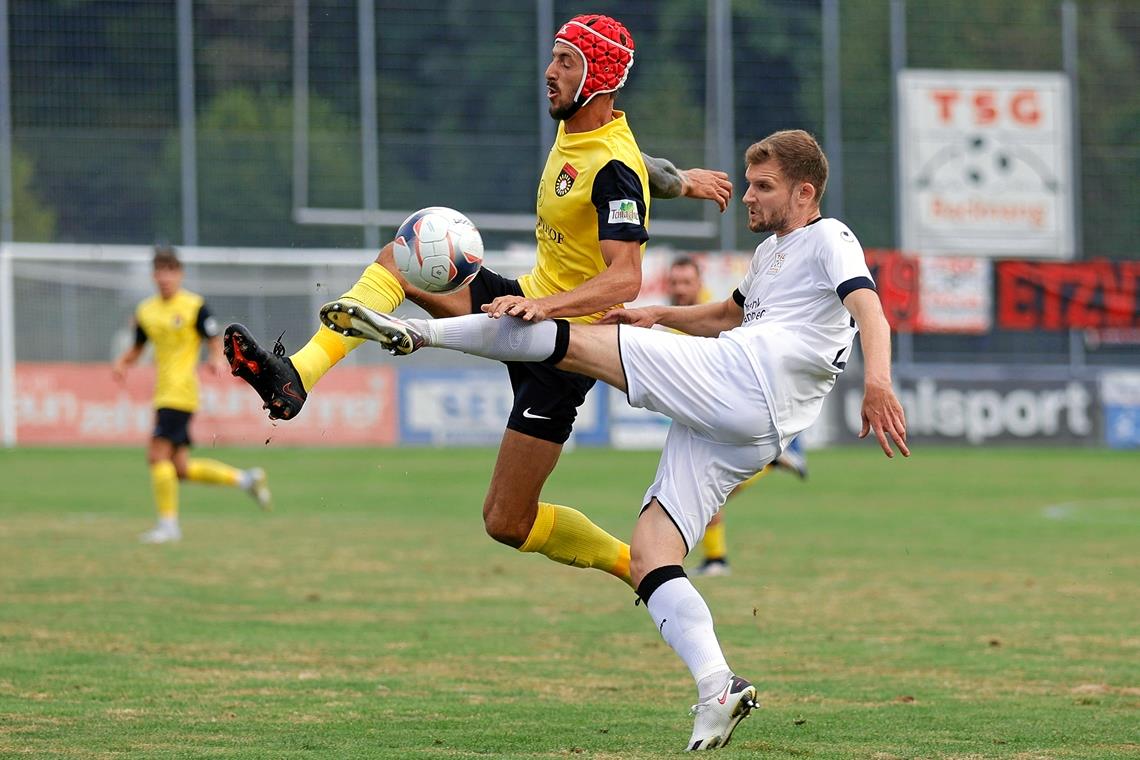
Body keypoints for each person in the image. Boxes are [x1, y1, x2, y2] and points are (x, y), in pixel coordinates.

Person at [319, 129, 910, 749]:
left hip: (747, 380)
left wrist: (879, 382)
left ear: (805, 192)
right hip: (756, 425)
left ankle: (414, 336)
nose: (749, 197)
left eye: (764, 187)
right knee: (653, 549)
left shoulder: (829, 237)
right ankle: (718, 686)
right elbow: (728, 316)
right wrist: (658, 315)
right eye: (750, 184)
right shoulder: (769, 257)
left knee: (561, 334)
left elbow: (870, 308)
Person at [223, 14, 731, 588]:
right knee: (403, 256)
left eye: (567, 61)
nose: (550, 71)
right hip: (521, 304)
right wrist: (684, 180)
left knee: (506, 521)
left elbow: (626, 279)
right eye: (554, 56)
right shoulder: (591, 134)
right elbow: (648, 170)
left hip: (565, 349)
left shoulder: (612, 166)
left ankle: (638, 568)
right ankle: (294, 379)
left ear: (599, 80)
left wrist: (548, 309)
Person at [112, 246, 271, 544]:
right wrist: (122, 362)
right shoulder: (146, 311)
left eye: (170, 271)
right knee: (179, 469)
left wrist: (214, 359)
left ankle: (168, 527)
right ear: (153, 275)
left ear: (179, 274)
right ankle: (246, 479)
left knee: (155, 456)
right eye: (159, 271)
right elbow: (137, 348)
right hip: (164, 392)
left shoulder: (195, 306)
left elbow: (213, 340)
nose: (164, 277)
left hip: (181, 392)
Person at [665, 255, 809, 577]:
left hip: (725, 417)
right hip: (703, 418)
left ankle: (711, 559)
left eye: (686, 282)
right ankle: (715, 559)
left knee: (702, 489)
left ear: (699, 283)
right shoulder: (675, 319)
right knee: (706, 491)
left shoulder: (712, 317)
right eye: (675, 282)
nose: (680, 289)